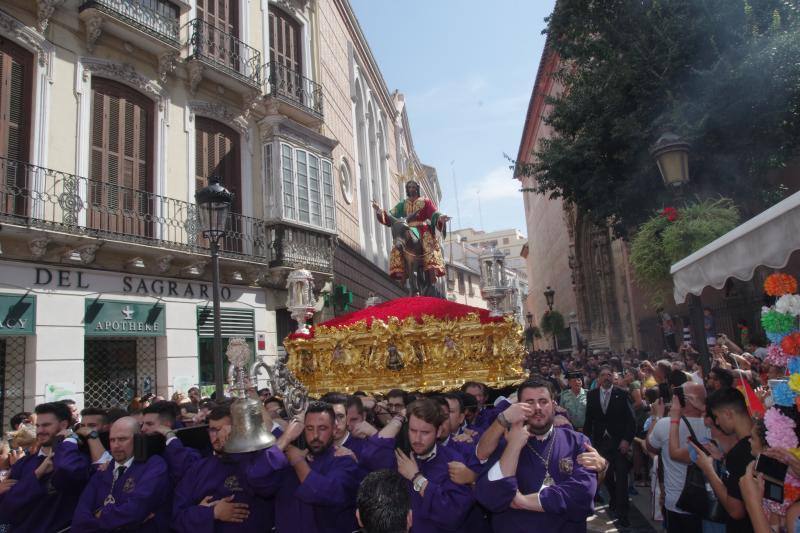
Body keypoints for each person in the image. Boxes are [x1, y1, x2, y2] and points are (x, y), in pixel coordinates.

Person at [475, 379, 598, 532]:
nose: (537, 407)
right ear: (519, 407)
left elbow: (583, 495)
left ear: (554, 405)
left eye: (543, 401)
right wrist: (513, 446)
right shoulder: (504, 443)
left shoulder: (577, 441)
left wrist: (523, 501)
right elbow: (491, 497)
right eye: (530, 402)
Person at [359, 398, 475, 532]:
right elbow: (370, 455)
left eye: (425, 432)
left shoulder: (453, 460)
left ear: (438, 432)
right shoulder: (400, 456)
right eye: (413, 430)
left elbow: (453, 515)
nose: (417, 439)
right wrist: (399, 418)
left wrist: (417, 478)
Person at [172, 404, 291, 532]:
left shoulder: (256, 464)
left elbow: (266, 488)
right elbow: (177, 519)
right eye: (213, 430)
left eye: (225, 430)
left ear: (238, 430)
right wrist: (212, 513)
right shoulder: (198, 468)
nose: (218, 436)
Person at [0, 401, 91, 532]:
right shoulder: (24, 463)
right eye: (38, 426)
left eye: (46, 425)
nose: (40, 431)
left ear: (64, 425)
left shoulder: (78, 459)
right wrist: (36, 474)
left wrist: (69, 441)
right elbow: (9, 504)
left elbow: (67, 471)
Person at [274, 401, 361, 533]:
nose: (315, 436)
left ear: (334, 429)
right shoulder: (286, 459)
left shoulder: (344, 461)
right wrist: (285, 440)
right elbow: (257, 479)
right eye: (309, 428)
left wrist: (298, 462)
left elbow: (325, 493)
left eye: (322, 428)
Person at [72, 416, 171, 531]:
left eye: (122, 439)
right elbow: (80, 517)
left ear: (138, 439)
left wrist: (99, 515)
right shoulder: (102, 471)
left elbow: (135, 511)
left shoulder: (154, 466)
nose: (116, 445)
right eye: (112, 440)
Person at [689, 387, 754, 533]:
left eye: (717, 416)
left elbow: (735, 511)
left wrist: (708, 469)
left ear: (728, 414)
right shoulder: (762, 439)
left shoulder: (739, 453)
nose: (717, 422)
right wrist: (722, 458)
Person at [583, 365, 636, 527]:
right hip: (600, 443)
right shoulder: (591, 395)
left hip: (619, 443)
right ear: (598, 379)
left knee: (621, 477)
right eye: (603, 375)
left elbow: (631, 420)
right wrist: (585, 441)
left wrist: (627, 440)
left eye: (609, 375)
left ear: (613, 378)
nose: (606, 378)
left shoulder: (622, 394)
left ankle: (623, 513)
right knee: (605, 475)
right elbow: (589, 420)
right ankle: (613, 497)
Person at [372, 179, 449, 286]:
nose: (411, 189)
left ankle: (431, 270)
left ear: (417, 188)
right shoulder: (403, 203)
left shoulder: (425, 201)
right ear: (407, 189)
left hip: (422, 228)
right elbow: (391, 215)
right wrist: (380, 210)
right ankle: (402, 270)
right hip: (408, 227)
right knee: (398, 244)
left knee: (429, 242)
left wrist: (440, 217)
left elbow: (434, 213)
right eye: (409, 187)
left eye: (413, 187)